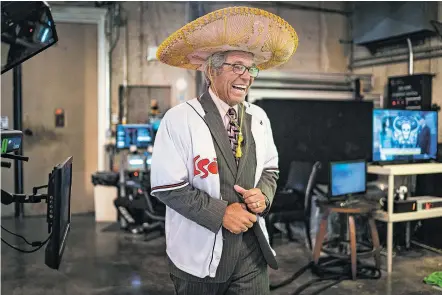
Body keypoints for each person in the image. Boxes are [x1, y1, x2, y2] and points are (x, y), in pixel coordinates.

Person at [150, 6, 298, 295]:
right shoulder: (180, 118)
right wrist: (221, 214)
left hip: (252, 252)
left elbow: (270, 169)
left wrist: (263, 195)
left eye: (251, 68)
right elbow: (167, 187)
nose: (247, 76)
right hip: (200, 256)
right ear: (211, 70)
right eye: (237, 66)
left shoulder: (259, 117)